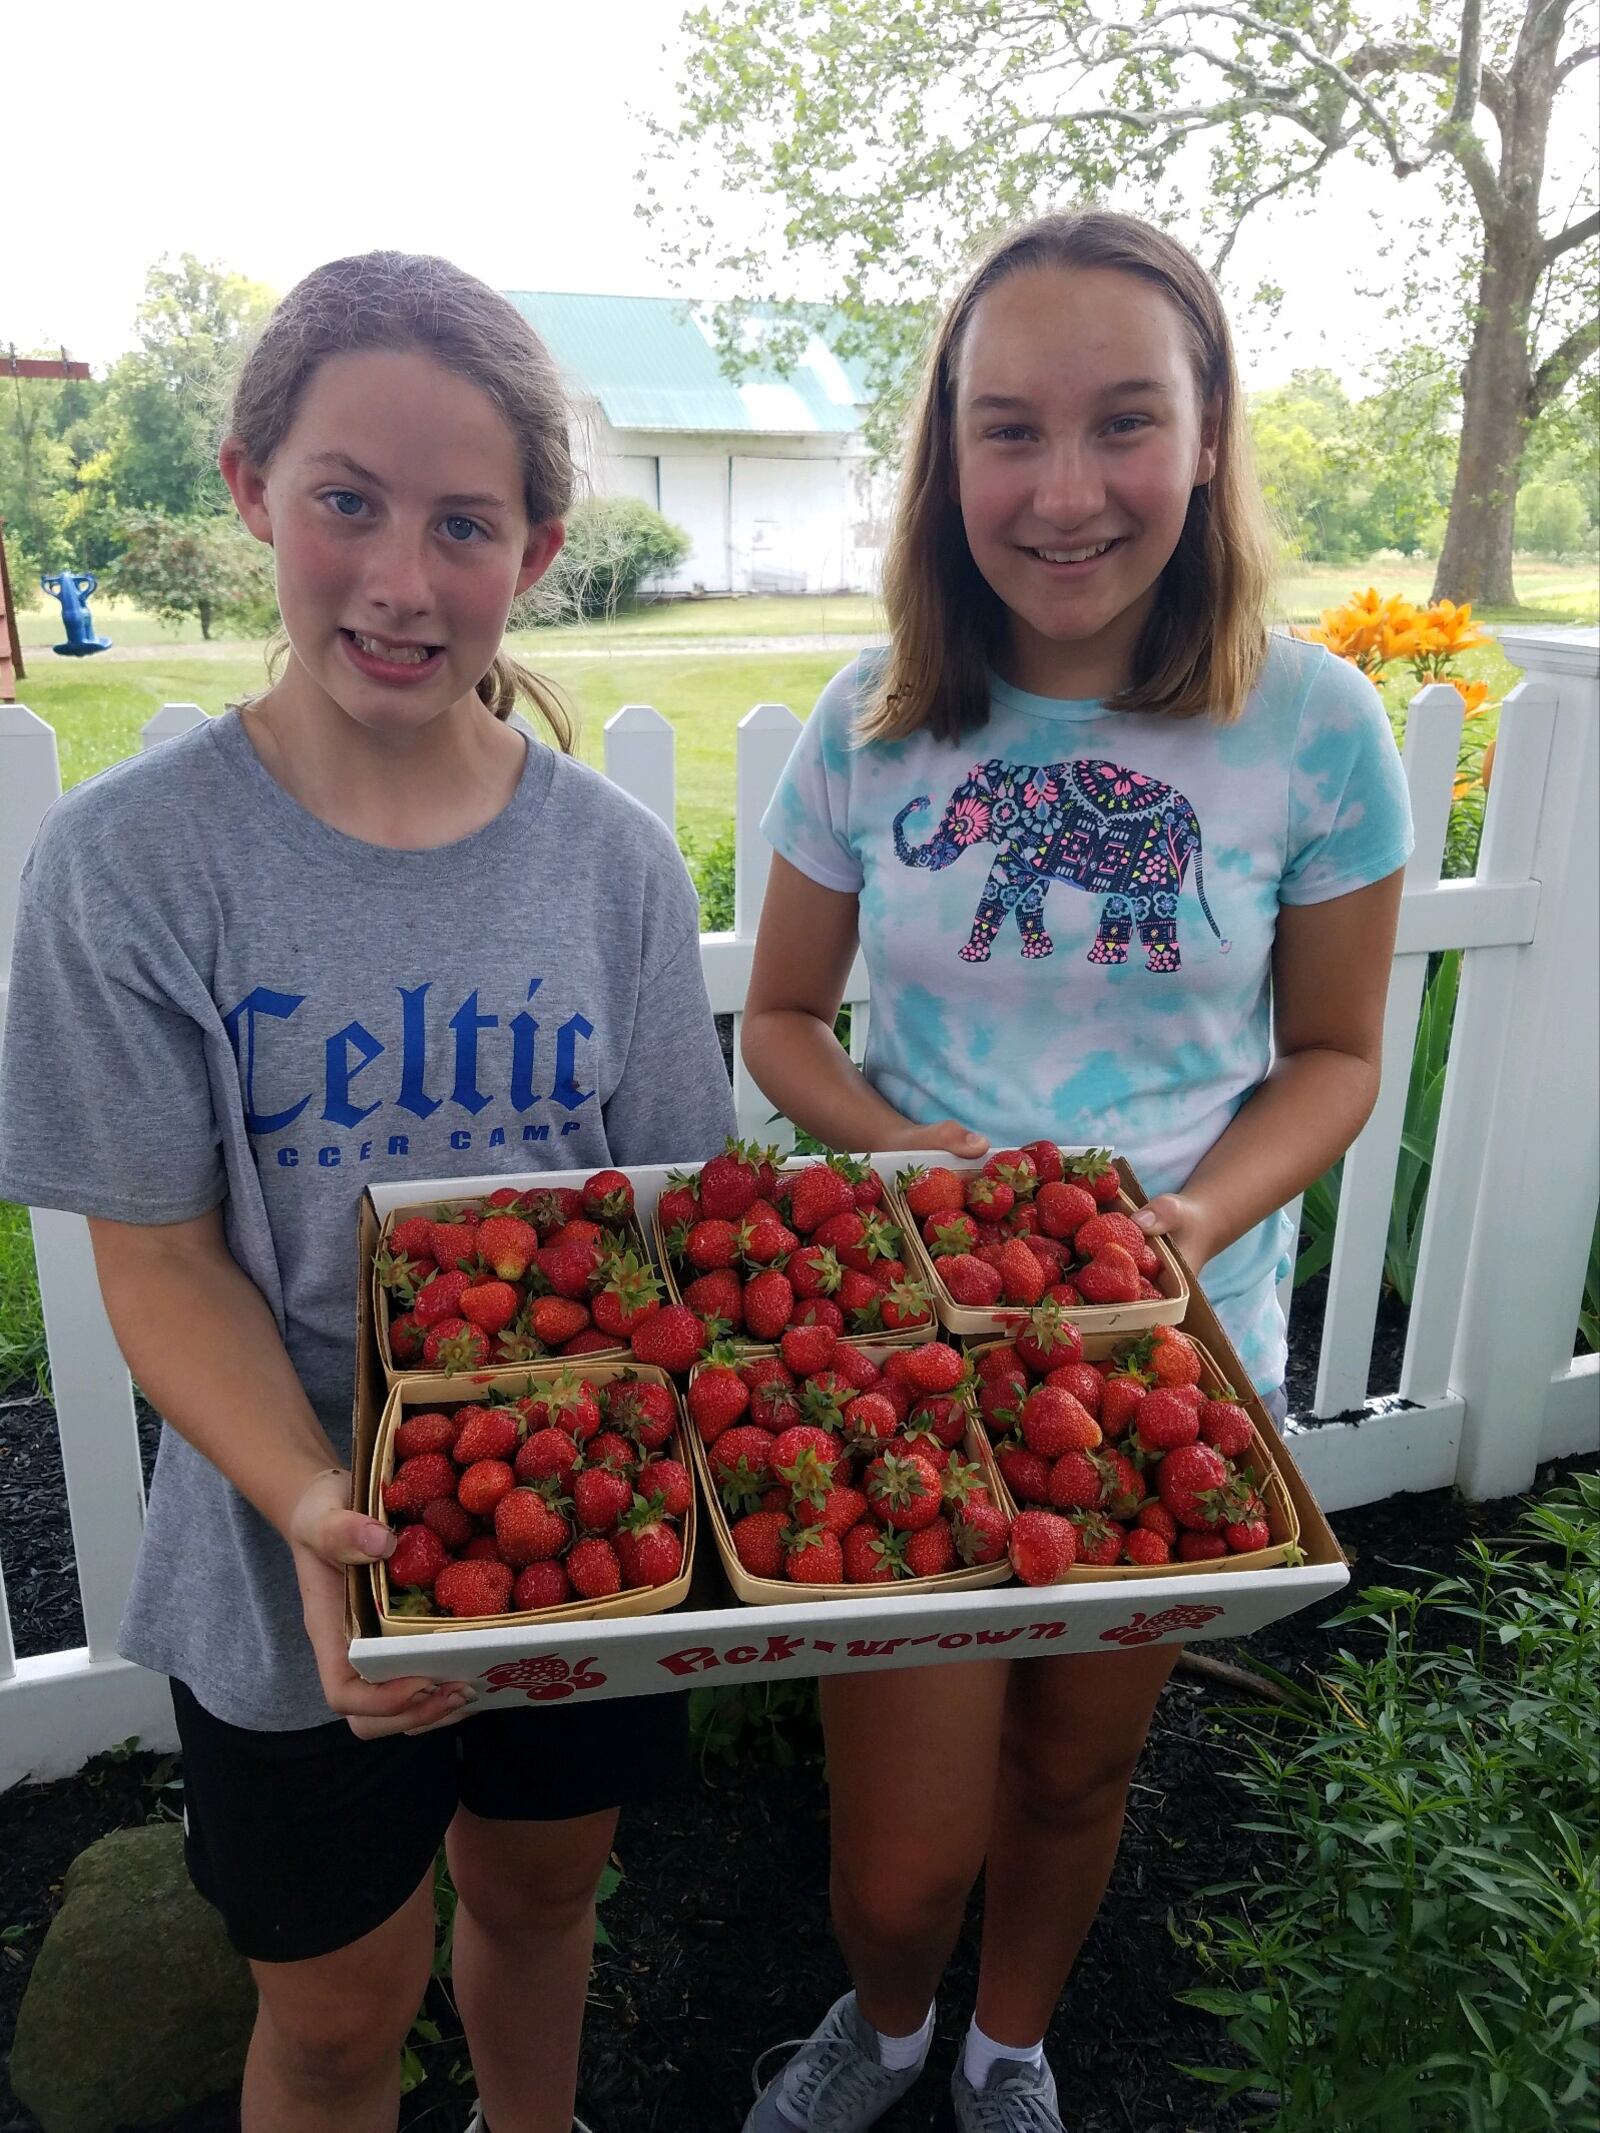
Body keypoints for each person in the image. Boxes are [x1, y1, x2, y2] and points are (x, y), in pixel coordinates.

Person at [0, 251, 735, 2133]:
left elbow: (667, 1217)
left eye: (464, 522)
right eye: (347, 501)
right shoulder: (134, 869)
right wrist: (324, 1498)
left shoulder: (614, 869)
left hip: (588, 1507)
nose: (402, 579)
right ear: (253, 489)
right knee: (333, 2010)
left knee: (544, 1891)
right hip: (286, 1537)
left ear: (539, 548)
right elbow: (157, 1260)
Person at [738, 210, 1412, 2132]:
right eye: (1006, 429)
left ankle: (1007, 2043)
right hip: (910, 1345)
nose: (1063, 490)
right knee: (899, 1850)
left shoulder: (1317, 729)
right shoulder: (869, 726)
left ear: (1208, 439)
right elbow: (785, 1024)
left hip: (1172, 1354)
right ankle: (881, 2018)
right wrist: (903, 1152)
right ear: (947, 458)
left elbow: (1342, 1056)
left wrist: (1190, 1220)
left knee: (1070, 1771)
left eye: (1125, 422)